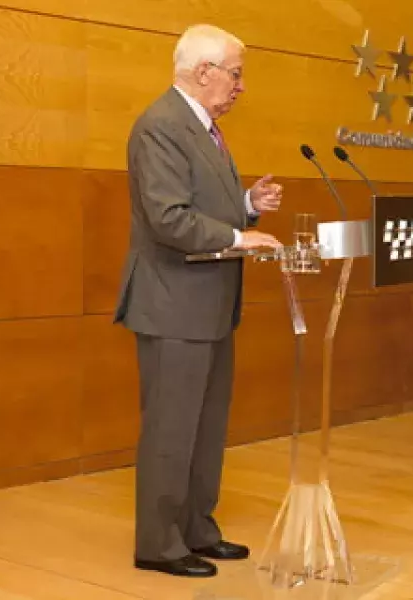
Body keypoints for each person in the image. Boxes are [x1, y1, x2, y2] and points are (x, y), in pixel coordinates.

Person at [113, 24, 283, 579]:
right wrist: (240, 237)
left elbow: (199, 202)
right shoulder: (160, 125)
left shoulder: (200, 126)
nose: (240, 86)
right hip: (172, 303)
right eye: (235, 73)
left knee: (206, 426)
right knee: (171, 428)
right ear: (203, 71)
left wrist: (245, 204)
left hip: (207, 303)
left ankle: (196, 528)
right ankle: (158, 545)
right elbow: (168, 218)